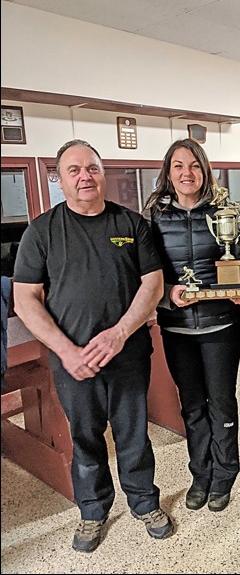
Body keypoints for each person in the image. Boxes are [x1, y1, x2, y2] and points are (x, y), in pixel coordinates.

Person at [12, 139, 173, 552]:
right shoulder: (42, 231)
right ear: (60, 179)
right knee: (85, 438)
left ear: (103, 173)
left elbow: (152, 284)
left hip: (128, 354)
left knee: (134, 434)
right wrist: (66, 352)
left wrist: (119, 333)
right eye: (74, 170)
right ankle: (93, 511)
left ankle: (143, 503)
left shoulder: (132, 224)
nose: (85, 176)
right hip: (75, 362)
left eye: (93, 168)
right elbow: (25, 298)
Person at [143, 138, 240, 513]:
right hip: (177, 328)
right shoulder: (154, 216)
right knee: (191, 406)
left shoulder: (225, 210)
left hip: (221, 326)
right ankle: (200, 475)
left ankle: (224, 475)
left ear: (205, 171)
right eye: (178, 166)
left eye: (194, 166)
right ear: (168, 173)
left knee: (221, 403)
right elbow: (147, 273)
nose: (187, 173)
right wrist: (169, 293)